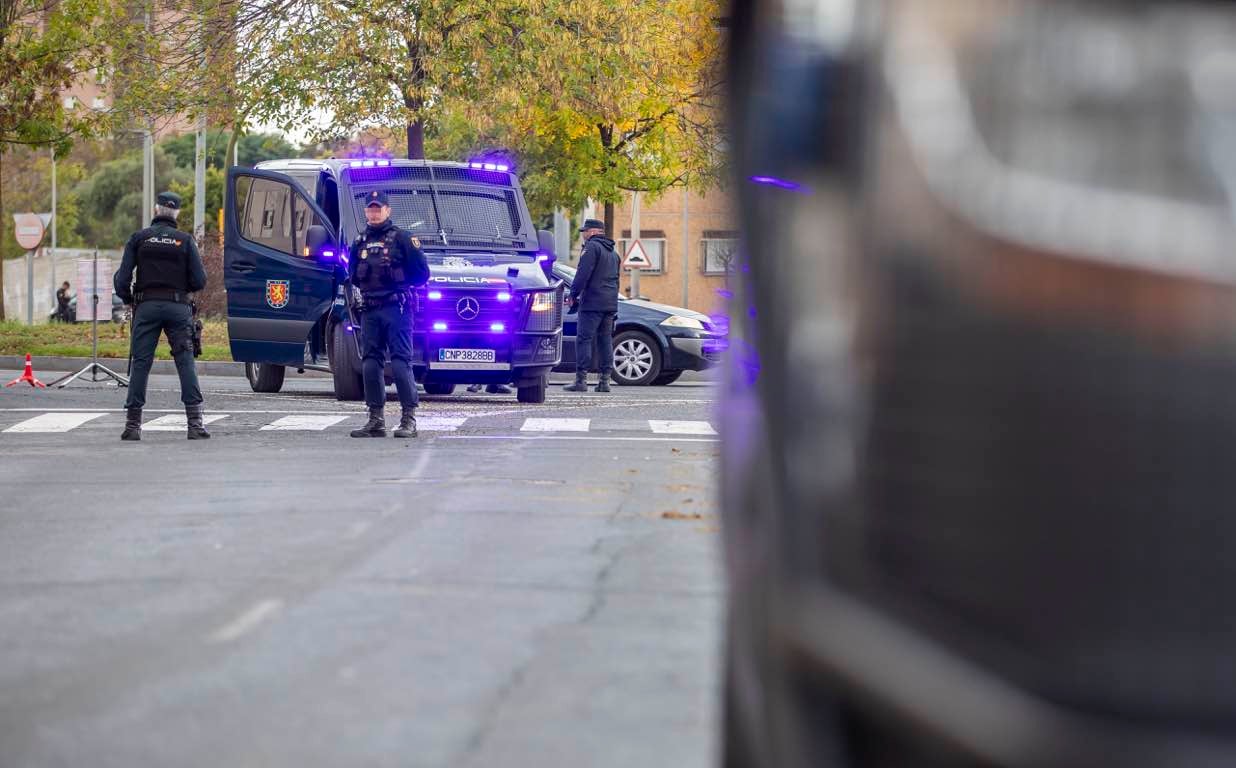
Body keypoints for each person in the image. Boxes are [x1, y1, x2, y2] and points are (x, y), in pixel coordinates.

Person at [113, 191, 209, 441]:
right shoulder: (185, 241)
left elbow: (122, 278)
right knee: (185, 361)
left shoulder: (139, 238)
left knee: (141, 363)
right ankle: (195, 424)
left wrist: (128, 300)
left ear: (156, 210)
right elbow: (199, 280)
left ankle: (132, 425)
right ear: (176, 213)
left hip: (146, 307)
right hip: (178, 308)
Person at [346, 190, 430, 438]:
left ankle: (408, 419)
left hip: (397, 308)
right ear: (365, 212)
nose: (374, 213)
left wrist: (399, 284)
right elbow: (352, 275)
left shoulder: (404, 239)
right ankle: (375, 419)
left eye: (378, 208)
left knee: (401, 362)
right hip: (370, 309)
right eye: (370, 209)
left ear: (387, 210)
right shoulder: (359, 241)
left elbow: (421, 274)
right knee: (370, 362)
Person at [565, 218, 619, 392]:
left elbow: (582, 274)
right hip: (609, 304)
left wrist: (573, 294)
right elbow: (616, 280)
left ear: (593, 232)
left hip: (592, 303)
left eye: (585, 232)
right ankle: (605, 381)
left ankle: (581, 380)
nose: (583, 235)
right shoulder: (613, 253)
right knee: (605, 341)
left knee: (584, 340)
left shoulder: (591, 248)